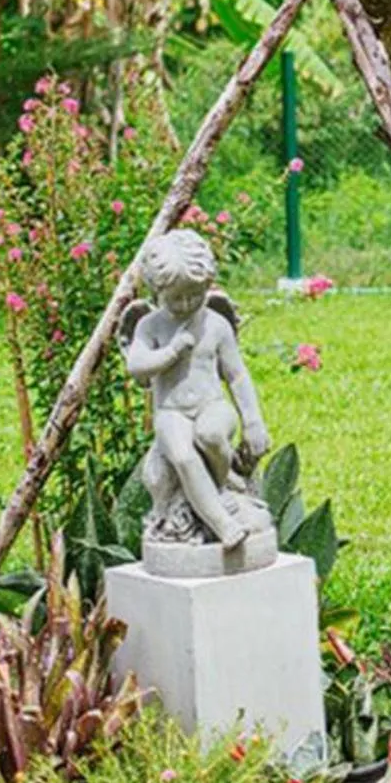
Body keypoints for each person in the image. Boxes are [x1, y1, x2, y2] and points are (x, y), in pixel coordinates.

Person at [124, 228, 269, 549]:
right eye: (176, 298)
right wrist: (171, 351)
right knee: (181, 454)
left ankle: (221, 483)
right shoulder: (152, 326)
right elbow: (136, 367)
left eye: (195, 294)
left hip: (212, 406)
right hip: (171, 412)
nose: (187, 303)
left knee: (211, 435)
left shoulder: (215, 325)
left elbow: (237, 376)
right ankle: (222, 523)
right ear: (156, 292)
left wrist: (253, 420)